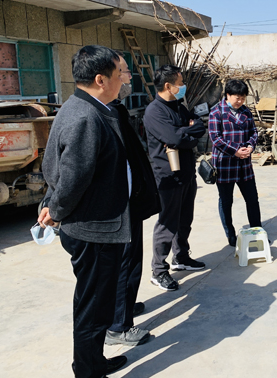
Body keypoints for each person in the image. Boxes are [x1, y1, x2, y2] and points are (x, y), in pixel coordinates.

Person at [38, 45, 130, 377]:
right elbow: (72, 176)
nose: (123, 81)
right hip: (94, 229)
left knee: (96, 302)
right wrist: (55, 208)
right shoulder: (86, 117)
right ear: (100, 79)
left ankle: (93, 361)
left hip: (98, 224)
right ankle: (88, 370)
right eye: (119, 75)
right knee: (94, 306)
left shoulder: (83, 107)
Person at [105, 54, 161, 347]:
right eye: (124, 72)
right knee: (126, 264)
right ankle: (119, 326)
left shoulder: (115, 109)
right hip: (120, 208)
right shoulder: (105, 114)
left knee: (126, 263)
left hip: (128, 202)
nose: (129, 78)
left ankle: (123, 308)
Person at [143, 64, 206, 292]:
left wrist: (184, 134)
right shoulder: (155, 111)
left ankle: (181, 256)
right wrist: (184, 135)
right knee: (167, 223)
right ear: (168, 86)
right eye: (180, 83)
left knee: (185, 219)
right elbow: (174, 138)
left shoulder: (179, 107)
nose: (183, 86)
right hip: (168, 176)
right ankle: (159, 270)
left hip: (187, 172)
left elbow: (199, 127)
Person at [208, 79, 262, 246]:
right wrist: (235, 151)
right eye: (237, 98)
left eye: (243, 98)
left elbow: (253, 132)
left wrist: (250, 146)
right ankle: (230, 234)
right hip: (225, 165)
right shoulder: (216, 112)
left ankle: (257, 232)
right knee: (226, 201)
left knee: (252, 199)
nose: (240, 101)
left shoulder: (246, 111)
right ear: (228, 95)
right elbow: (216, 138)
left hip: (244, 165)